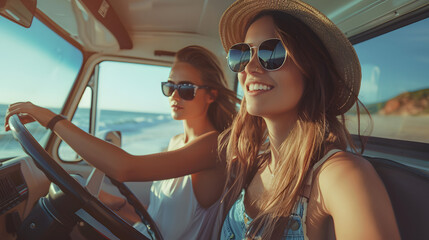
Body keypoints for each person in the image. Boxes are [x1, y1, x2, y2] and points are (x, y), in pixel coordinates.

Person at [5, 45, 239, 240]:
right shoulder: (177, 141)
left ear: (211, 95)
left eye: (186, 89)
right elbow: (159, 218)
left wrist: (52, 120)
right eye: (170, 87)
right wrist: (117, 205)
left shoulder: (213, 146)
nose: (175, 96)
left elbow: (125, 167)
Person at [217, 0, 400, 239]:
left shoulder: (341, 176)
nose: (250, 67)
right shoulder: (255, 165)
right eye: (242, 54)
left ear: (310, 69)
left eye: (271, 53)